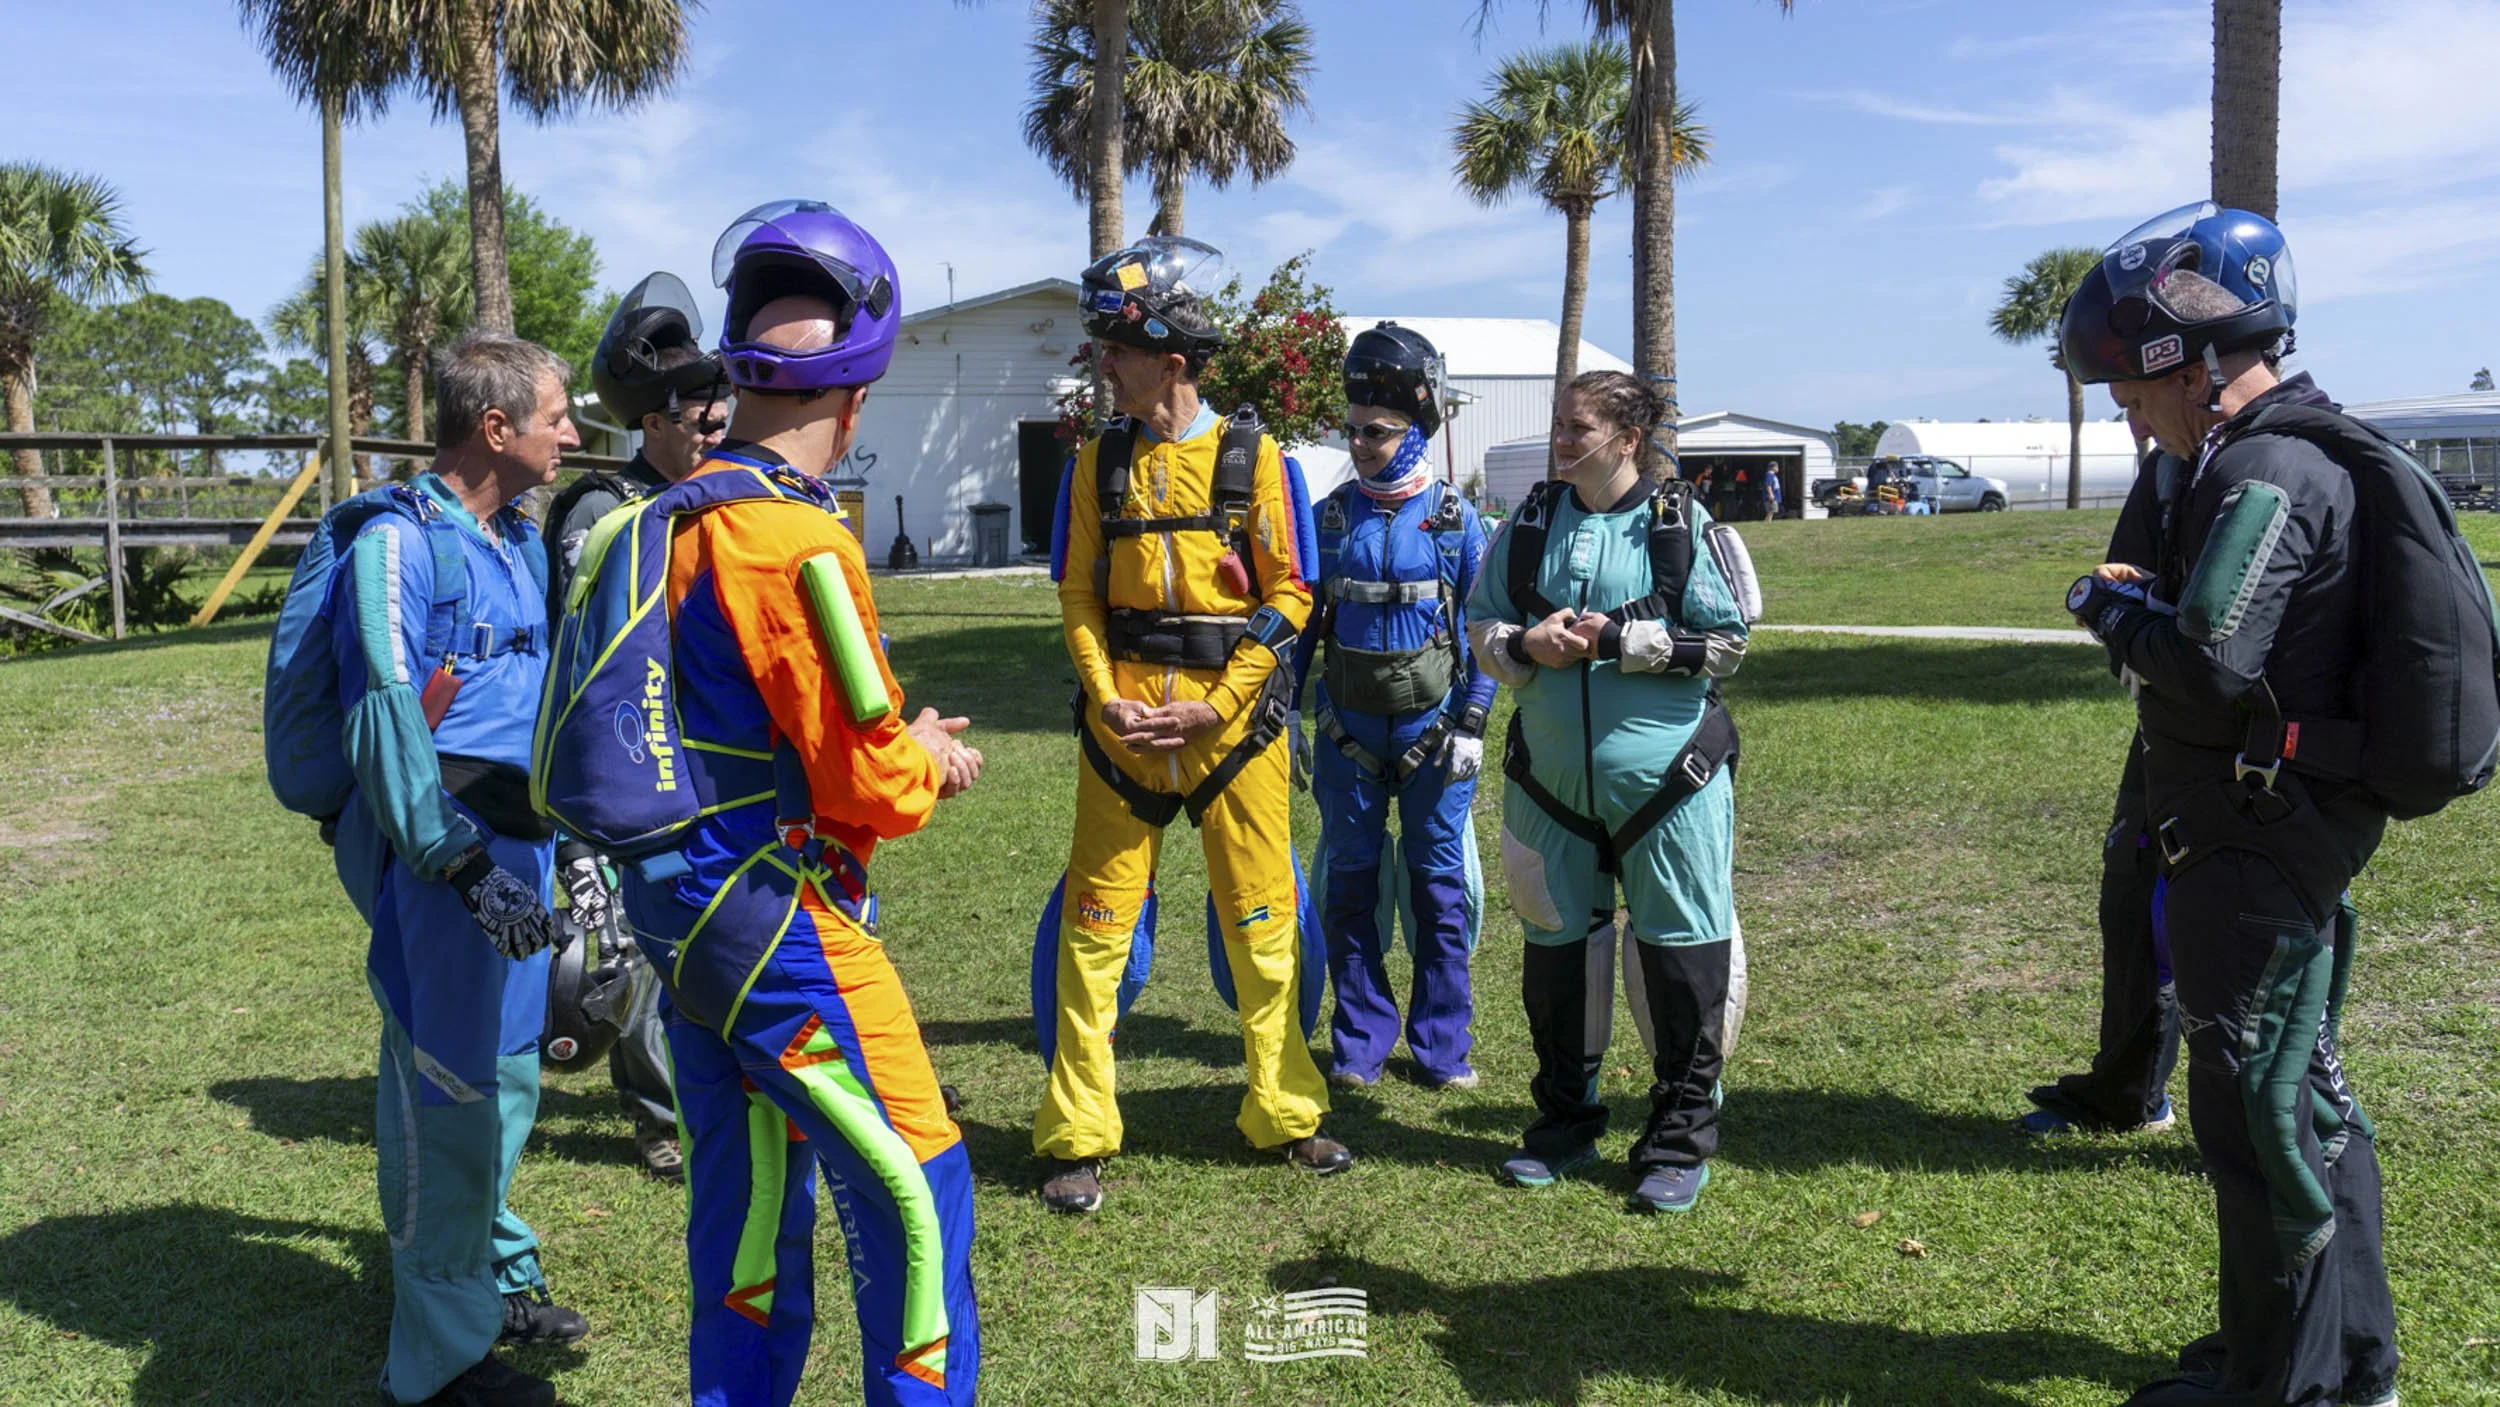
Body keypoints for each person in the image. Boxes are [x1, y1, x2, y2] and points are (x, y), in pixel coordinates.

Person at [607, 201, 983, 1407]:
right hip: (785, 924)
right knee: (918, 1200)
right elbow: (867, 777)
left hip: (678, 921)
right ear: (859, 395)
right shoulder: (793, 540)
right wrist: (922, 757)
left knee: (749, 1209)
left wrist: (885, 740)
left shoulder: (663, 516)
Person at [2057, 202, 2398, 1407]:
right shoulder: (2271, 456)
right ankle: (2343, 1368)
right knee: (2300, 1099)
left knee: (2258, 1115)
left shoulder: (2261, 465)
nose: (2119, 404)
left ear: (2194, 362)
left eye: (2128, 381)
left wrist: (2106, 609)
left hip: (2255, 843)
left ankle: (2284, 1386)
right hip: (2273, 830)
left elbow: (2208, 663)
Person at [1035, 234, 1345, 1215]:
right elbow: (1078, 593)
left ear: (1170, 359)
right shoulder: (1096, 465)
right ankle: (1076, 1136)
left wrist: (1218, 703)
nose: (1102, 368)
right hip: (1118, 738)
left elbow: (1292, 593)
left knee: (1263, 929)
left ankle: (1284, 1113)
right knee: (1094, 934)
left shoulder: (1255, 461)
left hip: (1234, 739)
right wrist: (1104, 693)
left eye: (1116, 352)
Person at [329, 332, 586, 1407]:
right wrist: (465, 870)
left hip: (520, 851)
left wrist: (565, 851)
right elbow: (387, 722)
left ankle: (489, 1277)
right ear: (496, 428)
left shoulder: (518, 542)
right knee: (447, 1092)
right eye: (557, 415)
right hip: (445, 872)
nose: (572, 434)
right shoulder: (396, 548)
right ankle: (438, 1364)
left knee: (510, 1082)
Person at [1466, 369, 1750, 1215]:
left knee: (1679, 959)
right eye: (1558, 423)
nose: (1561, 439)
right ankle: (1563, 1123)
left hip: (1670, 788)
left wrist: (1625, 641)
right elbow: (1480, 623)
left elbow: (1729, 641)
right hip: (1549, 789)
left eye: (1577, 426)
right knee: (1558, 955)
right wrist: (1524, 640)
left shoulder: (1679, 525)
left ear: (1628, 439)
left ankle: (1676, 1138)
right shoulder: (1528, 523)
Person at [535, 271, 733, 1183]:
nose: (714, 416)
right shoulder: (599, 508)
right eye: (695, 405)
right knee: (636, 944)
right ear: (652, 419)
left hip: (715, 751)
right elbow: (580, 650)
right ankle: (659, 1114)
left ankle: (715, 1085)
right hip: (626, 752)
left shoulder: (731, 495)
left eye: (715, 398)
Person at [1293, 322, 1494, 1091]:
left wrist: (1473, 720)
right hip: (1346, 733)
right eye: (1351, 430)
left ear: (1416, 428)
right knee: (1350, 886)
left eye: (1377, 431)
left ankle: (1443, 1046)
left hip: (1436, 737)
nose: (1361, 442)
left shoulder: (1456, 522)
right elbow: (1301, 625)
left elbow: (1486, 630)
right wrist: (1286, 715)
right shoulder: (1331, 518)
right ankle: (1359, 1042)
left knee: (1438, 889)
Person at [2018, 446, 2183, 1138]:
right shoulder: (2166, 472)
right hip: (2166, 726)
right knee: (2131, 899)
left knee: (2225, 925)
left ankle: (2282, 1125)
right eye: (2124, 407)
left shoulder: (2272, 462)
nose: (2137, 422)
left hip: (2257, 742)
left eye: (2141, 401)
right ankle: (2128, 1092)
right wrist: (2120, 602)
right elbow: (2123, 601)